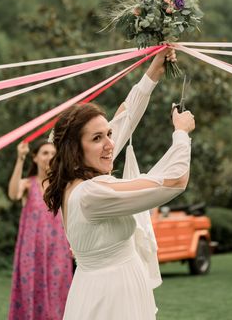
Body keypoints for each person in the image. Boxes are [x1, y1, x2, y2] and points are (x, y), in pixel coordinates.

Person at [43, 48, 195, 319]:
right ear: (75, 149)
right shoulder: (91, 194)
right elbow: (174, 181)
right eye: (97, 138)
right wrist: (181, 134)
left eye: (108, 134)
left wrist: (153, 73)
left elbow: (124, 117)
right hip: (112, 296)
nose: (110, 144)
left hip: (106, 285)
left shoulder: (76, 180)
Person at [7, 139, 73, 320]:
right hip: (32, 252)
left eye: (53, 154)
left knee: (57, 295)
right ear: (35, 158)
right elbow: (13, 194)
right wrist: (20, 158)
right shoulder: (28, 184)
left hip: (57, 251)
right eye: (45, 153)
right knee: (31, 292)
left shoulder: (61, 186)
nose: (50, 157)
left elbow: (69, 218)